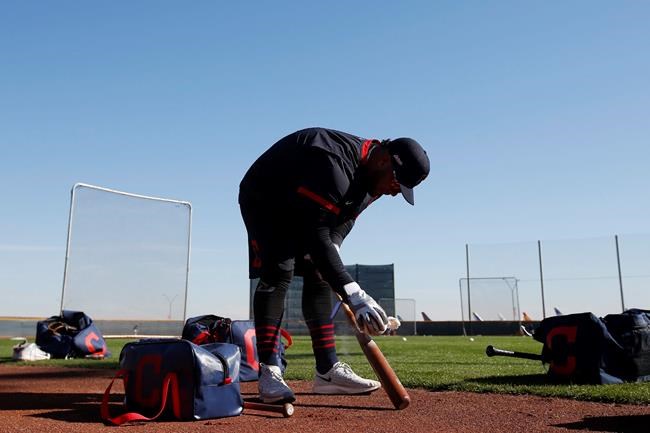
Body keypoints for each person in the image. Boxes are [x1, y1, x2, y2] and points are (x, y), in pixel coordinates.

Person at [238, 127, 430, 403]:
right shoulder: (335, 165)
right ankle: (269, 371)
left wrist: (333, 256)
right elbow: (316, 235)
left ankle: (327, 371)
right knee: (280, 270)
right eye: (397, 183)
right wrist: (356, 296)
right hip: (267, 197)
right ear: (383, 160)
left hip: (306, 204)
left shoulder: (375, 180)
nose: (394, 192)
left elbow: (342, 223)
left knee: (319, 272)